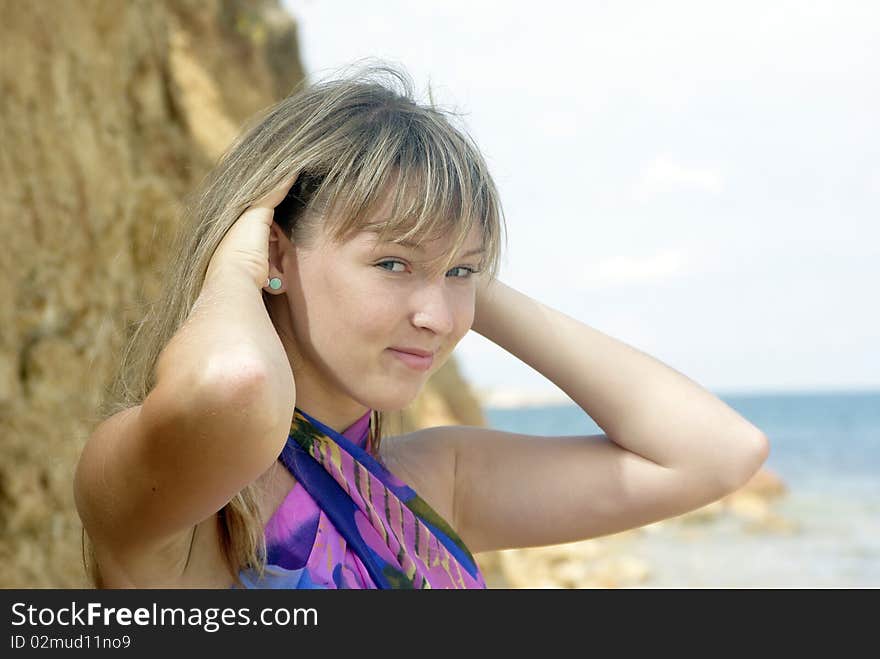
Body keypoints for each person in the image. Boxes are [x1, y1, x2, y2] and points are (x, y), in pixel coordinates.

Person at [73, 63, 769, 589]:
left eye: (462, 276)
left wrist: (456, 268)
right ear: (275, 251)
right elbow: (234, 384)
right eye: (392, 263)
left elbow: (717, 452)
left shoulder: (433, 480)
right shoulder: (172, 494)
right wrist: (231, 268)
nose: (437, 318)